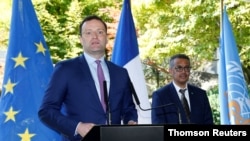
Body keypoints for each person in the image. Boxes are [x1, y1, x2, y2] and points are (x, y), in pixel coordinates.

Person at [38, 15, 138, 141]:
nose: (95, 36)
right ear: (81, 39)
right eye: (88, 33)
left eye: (100, 32)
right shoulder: (65, 69)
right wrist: (78, 127)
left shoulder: (120, 73)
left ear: (106, 38)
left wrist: (131, 121)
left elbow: (128, 108)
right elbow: (46, 111)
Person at [151, 53, 213, 124]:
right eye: (179, 68)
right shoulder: (160, 96)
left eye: (187, 68)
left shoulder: (200, 94)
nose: (183, 71)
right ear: (170, 71)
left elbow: (209, 122)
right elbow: (158, 127)